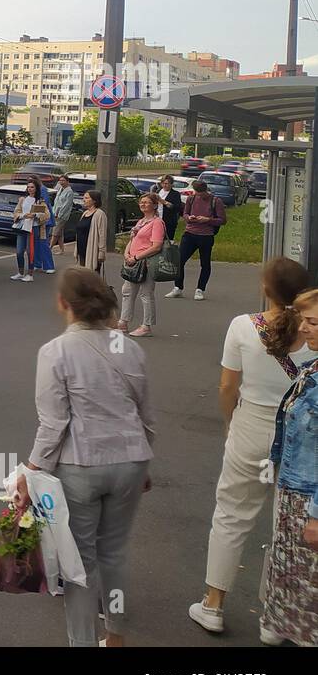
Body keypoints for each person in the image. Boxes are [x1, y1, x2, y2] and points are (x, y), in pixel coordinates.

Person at [14, 268, 154, 647]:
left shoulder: (55, 352)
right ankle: (117, 636)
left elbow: (53, 423)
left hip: (81, 465)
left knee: (81, 565)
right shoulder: (131, 348)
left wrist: (31, 470)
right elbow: (145, 414)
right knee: (114, 554)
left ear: (63, 305)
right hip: (130, 459)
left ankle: (82, 641)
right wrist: (144, 459)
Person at [189, 258, 313, 635]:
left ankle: (213, 603)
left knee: (232, 514)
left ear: (266, 289)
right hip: (300, 436)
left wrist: (229, 422)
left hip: (251, 428)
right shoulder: (312, 333)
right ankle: (274, 619)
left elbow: (228, 386)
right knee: (286, 523)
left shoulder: (243, 327)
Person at [258, 286, 318, 646]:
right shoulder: (311, 367)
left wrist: (316, 515)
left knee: (309, 581)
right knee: (292, 570)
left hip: (308, 497)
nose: (304, 329)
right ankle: (283, 625)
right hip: (295, 490)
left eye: (312, 322)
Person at [167, 180, 226, 301]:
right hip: (190, 233)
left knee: (205, 263)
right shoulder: (191, 199)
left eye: (201, 193)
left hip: (206, 235)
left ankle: (200, 289)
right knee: (179, 260)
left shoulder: (216, 201)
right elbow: (185, 213)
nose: (199, 195)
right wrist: (189, 218)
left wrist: (208, 220)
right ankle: (178, 287)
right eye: (197, 193)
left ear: (206, 191)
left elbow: (222, 220)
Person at [118, 193, 166, 338]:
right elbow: (133, 240)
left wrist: (137, 257)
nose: (143, 204)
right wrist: (127, 254)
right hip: (133, 261)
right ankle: (123, 321)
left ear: (154, 205)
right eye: (141, 202)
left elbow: (157, 246)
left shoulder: (157, 223)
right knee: (127, 291)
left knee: (146, 293)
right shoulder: (141, 221)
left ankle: (146, 325)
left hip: (146, 262)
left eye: (146, 202)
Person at [10, 178, 45, 282]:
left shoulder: (39, 201)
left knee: (30, 252)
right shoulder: (23, 199)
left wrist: (34, 215)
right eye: (28, 187)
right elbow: (16, 212)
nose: (30, 189)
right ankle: (20, 272)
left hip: (32, 228)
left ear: (36, 188)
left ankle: (30, 274)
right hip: (22, 226)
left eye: (32, 187)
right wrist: (22, 215)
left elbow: (45, 214)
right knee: (19, 251)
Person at [75, 190, 108, 275]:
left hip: (92, 249)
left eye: (86, 198)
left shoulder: (100, 214)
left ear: (94, 200)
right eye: (84, 198)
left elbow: (102, 235)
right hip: (81, 249)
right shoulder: (85, 213)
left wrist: (101, 252)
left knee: (92, 275)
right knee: (82, 274)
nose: (84, 200)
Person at [32, 181, 57, 275]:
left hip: (44, 222)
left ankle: (49, 266)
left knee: (43, 243)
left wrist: (32, 212)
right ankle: (37, 264)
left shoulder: (42, 190)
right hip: (35, 222)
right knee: (36, 243)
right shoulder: (30, 193)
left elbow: (43, 205)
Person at [155, 174, 183, 243]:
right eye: (163, 183)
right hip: (157, 219)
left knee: (167, 241)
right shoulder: (158, 192)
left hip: (169, 221)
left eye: (167, 183)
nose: (165, 185)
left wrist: (163, 201)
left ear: (171, 184)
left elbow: (176, 208)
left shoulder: (175, 194)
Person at [50, 176, 74, 255]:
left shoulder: (69, 192)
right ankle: (62, 250)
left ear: (67, 181)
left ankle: (49, 248)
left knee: (55, 232)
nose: (61, 182)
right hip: (55, 213)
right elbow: (56, 202)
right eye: (60, 180)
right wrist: (53, 212)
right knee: (60, 233)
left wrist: (59, 214)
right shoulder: (60, 189)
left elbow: (66, 205)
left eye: (63, 180)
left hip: (62, 215)